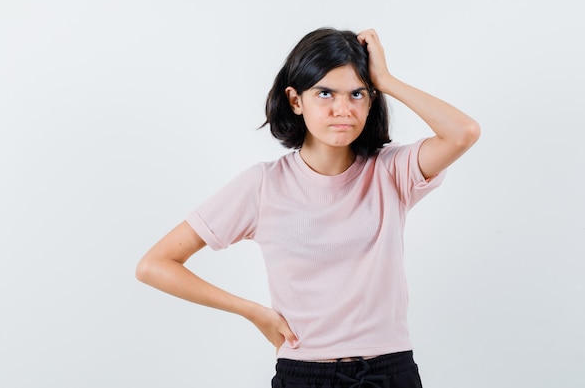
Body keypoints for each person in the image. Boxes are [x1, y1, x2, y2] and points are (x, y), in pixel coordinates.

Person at [136, 27, 480, 387]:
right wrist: (254, 313)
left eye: (357, 94)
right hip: (305, 373)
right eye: (325, 93)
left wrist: (386, 80)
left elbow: (464, 132)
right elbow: (154, 265)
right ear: (296, 100)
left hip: (390, 371)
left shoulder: (391, 171)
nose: (342, 109)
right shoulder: (263, 185)